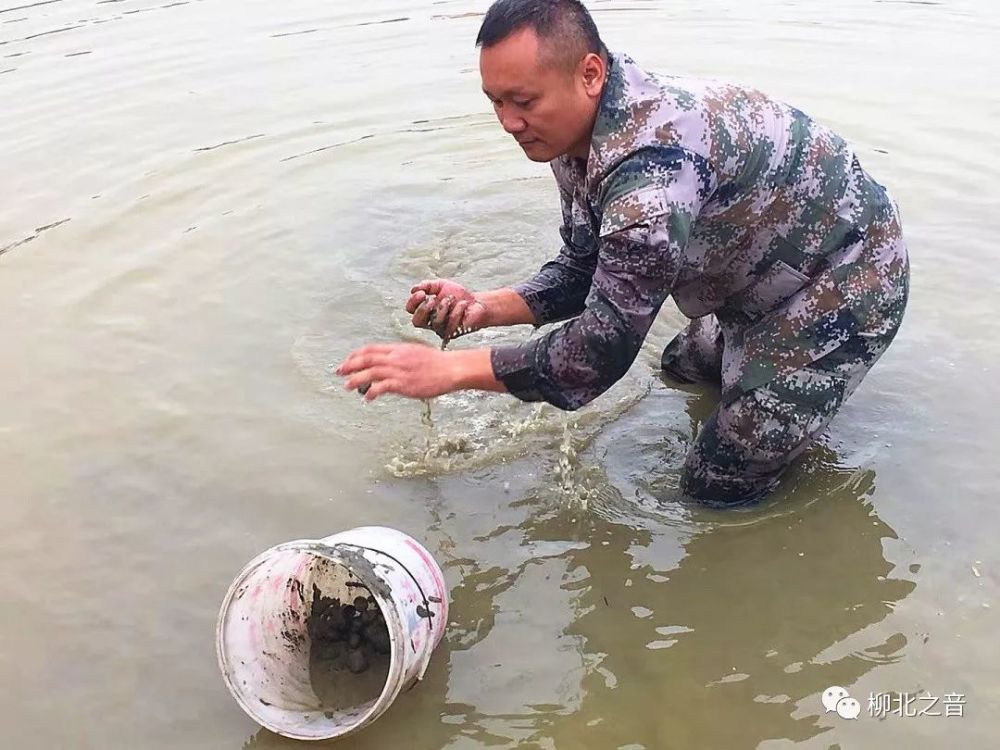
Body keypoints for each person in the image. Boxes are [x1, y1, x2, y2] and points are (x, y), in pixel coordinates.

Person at [337, 0, 909, 506]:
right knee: (683, 370)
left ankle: (804, 414)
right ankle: (779, 398)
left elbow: (599, 353)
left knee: (717, 484)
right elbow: (583, 265)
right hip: (757, 277)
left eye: (523, 101)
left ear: (590, 73)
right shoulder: (571, 132)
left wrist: (449, 370)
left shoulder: (650, 174)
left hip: (845, 281)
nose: (509, 122)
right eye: (495, 102)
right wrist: (486, 308)